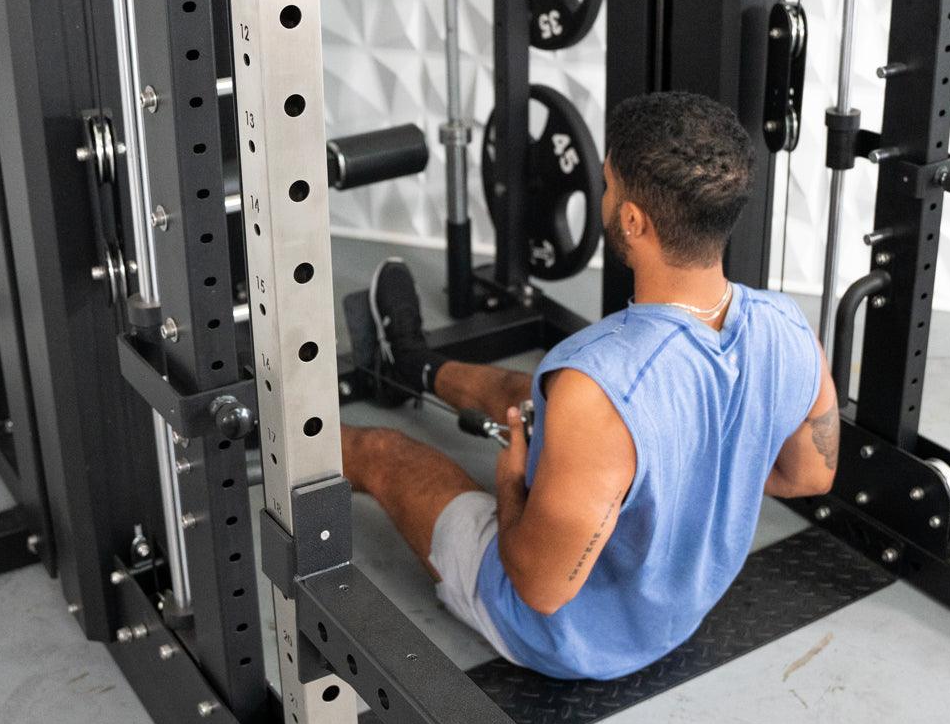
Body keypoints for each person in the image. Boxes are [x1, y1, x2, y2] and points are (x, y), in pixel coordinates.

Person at [341, 91, 837, 681]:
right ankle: (411, 362)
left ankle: (275, 420)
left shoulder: (597, 381)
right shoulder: (789, 327)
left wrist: (511, 483)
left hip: (563, 637)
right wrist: (704, 470)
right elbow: (810, 476)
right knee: (533, 394)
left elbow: (539, 588)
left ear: (632, 220)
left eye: (607, 185)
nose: (603, 196)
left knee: (382, 452)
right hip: (679, 612)